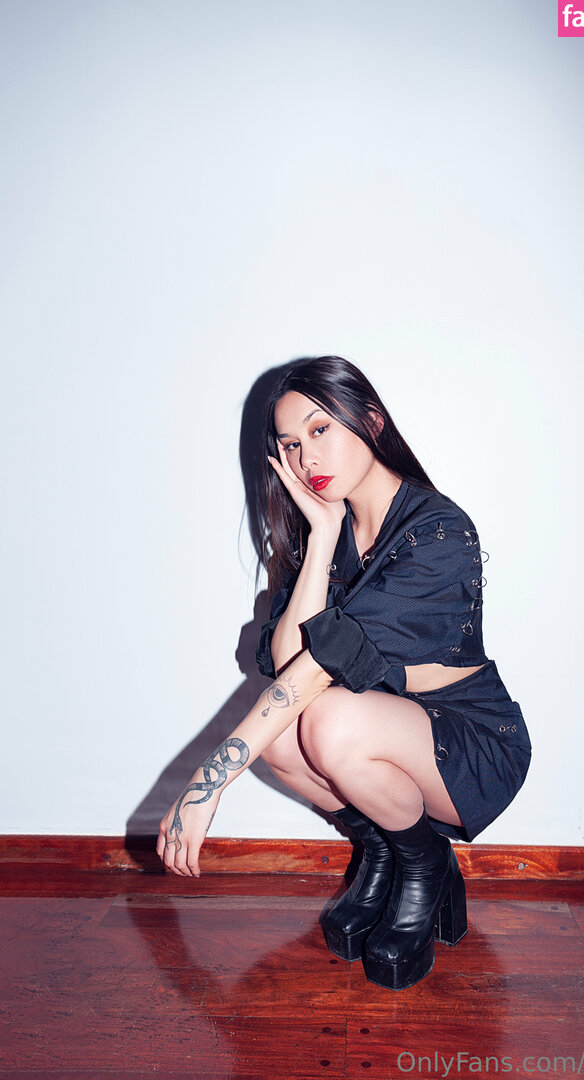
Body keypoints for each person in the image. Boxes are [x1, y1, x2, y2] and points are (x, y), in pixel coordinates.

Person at [157, 355, 532, 991]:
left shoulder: (438, 532)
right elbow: (285, 662)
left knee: (326, 718)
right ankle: (387, 850)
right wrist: (324, 535)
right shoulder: (328, 534)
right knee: (283, 733)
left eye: (320, 429)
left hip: (471, 743)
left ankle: (426, 865)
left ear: (371, 422)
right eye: (290, 444)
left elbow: (314, 671)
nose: (306, 458)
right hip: (387, 729)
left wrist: (208, 780)